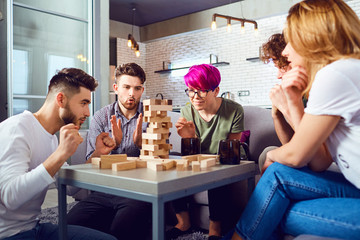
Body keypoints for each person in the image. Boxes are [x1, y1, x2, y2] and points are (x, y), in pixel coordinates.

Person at [225, 0, 360, 239]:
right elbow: (318, 161)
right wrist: (295, 103)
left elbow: (297, 155)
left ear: (312, 38)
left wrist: (272, 156)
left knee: (270, 208)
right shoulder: (346, 69)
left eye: (291, 41)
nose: (286, 52)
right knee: (270, 201)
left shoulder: (336, 74)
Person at [0, 68, 116, 240]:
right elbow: (11, 197)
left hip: (35, 227)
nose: (87, 113)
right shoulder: (17, 128)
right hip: (9, 234)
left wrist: (97, 154)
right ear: (60, 99)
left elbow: (69, 187)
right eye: (83, 103)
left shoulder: (52, 138)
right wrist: (61, 153)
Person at [67, 63, 151, 240]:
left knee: (120, 232)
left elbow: (162, 162)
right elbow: (92, 162)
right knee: (68, 227)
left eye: (137, 88)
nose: (131, 94)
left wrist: (142, 145)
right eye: (126, 87)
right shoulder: (101, 116)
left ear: (142, 90)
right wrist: (108, 150)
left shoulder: (152, 115)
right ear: (116, 88)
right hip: (105, 190)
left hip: (139, 190)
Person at [167, 64, 244, 240]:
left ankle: (214, 228)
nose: (195, 97)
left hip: (225, 159)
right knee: (174, 169)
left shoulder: (234, 110)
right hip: (200, 158)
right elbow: (191, 156)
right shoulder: (187, 110)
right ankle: (183, 221)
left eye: (201, 91)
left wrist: (207, 154)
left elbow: (232, 148)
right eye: (191, 90)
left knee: (216, 173)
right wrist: (190, 137)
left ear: (216, 90)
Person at [258, 33, 308, 171]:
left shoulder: (315, 91)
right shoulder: (300, 93)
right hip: (312, 154)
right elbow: (291, 143)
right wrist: (276, 114)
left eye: (282, 67)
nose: (278, 75)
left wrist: (287, 107)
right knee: (268, 152)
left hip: (332, 161)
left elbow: (312, 146)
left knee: (271, 156)